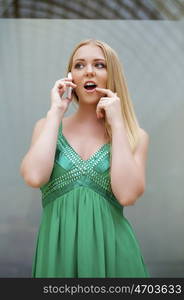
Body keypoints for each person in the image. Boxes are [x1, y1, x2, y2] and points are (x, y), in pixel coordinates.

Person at [20, 39, 150, 278]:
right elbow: (34, 176)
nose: (88, 71)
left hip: (116, 260)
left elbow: (128, 194)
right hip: (57, 258)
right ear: (71, 77)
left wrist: (118, 125)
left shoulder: (135, 136)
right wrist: (56, 111)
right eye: (79, 65)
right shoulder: (47, 126)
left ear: (113, 74)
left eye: (99, 65)